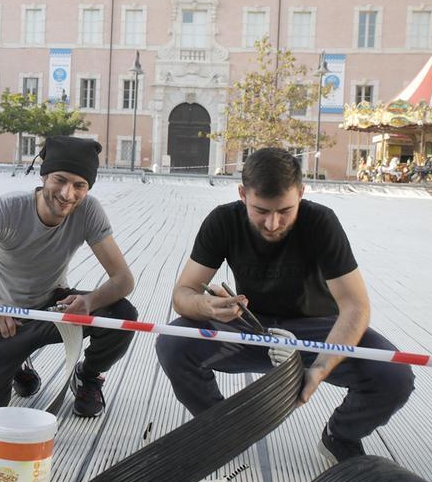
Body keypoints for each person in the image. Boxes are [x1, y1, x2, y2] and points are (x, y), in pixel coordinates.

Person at [155, 147, 414, 464]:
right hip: (251, 329)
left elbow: (355, 307)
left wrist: (319, 369)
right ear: (242, 194)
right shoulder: (223, 221)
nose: (273, 224)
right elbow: (183, 293)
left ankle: (341, 435)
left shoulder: (321, 222)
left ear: (302, 194)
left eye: (285, 211)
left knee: (394, 375)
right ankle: (220, 428)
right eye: (260, 210)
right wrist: (207, 306)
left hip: (317, 331)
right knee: (172, 343)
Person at [0, 136, 137, 417]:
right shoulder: (6, 210)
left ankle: (89, 376)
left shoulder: (88, 211)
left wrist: (90, 302)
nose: (67, 193)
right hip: (3, 320)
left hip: (53, 309)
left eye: (79, 185)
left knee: (123, 315)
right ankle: (16, 363)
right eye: (60, 180)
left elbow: (123, 279)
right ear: (44, 175)